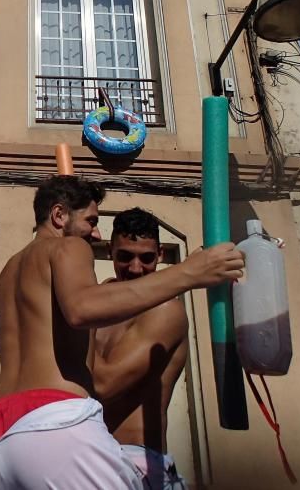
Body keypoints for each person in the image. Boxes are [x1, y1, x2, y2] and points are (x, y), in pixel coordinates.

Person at [0, 176, 245, 490]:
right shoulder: (69, 247)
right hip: (56, 428)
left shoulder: (11, 269)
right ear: (59, 216)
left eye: (146, 258)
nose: (95, 233)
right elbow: (81, 310)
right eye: (92, 221)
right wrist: (192, 271)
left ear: (159, 255)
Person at [94, 208, 188, 489]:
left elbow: (104, 385)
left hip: (138, 464)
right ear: (110, 251)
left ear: (160, 254)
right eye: (125, 256)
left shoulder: (165, 309)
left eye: (146, 258)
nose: (135, 269)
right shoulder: (97, 299)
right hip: (92, 457)